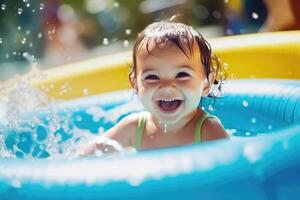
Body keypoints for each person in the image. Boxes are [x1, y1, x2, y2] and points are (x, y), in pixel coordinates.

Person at [82, 18, 228, 156]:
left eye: (182, 74)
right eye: (152, 77)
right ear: (136, 85)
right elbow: (85, 158)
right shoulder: (134, 128)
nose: (166, 86)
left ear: (206, 83)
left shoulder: (208, 131)